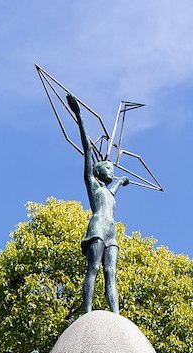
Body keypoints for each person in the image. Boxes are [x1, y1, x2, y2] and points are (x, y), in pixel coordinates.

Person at [67, 93, 129, 315]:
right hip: (97, 228)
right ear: (97, 170)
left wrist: (120, 182)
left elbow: (113, 191)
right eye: (108, 168)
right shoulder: (92, 182)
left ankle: (116, 316)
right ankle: (88, 312)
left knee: (111, 273)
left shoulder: (108, 191)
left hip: (112, 232)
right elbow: (87, 149)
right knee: (93, 268)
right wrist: (79, 116)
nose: (112, 171)